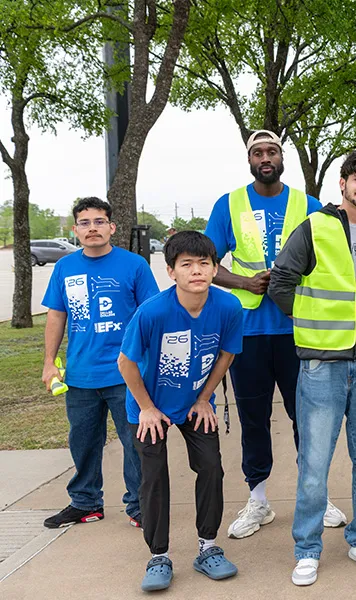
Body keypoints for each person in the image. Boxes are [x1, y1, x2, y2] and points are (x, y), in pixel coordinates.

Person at [204, 129, 346, 539]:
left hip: (299, 328)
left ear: (282, 158)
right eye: (258, 153)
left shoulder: (308, 205)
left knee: (309, 417)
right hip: (248, 331)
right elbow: (207, 261)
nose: (265, 158)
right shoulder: (228, 203)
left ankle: (316, 496)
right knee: (253, 418)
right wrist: (245, 282)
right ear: (249, 160)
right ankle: (259, 499)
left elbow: (331, 260)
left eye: (272, 151)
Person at [268, 150, 356, 586]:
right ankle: (307, 548)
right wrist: (307, 322)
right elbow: (281, 282)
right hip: (321, 364)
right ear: (342, 183)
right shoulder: (314, 227)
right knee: (315, 464)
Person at [118, 232, 242, 592]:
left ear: (215, 268)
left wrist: (204, 398)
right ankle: (159, 555)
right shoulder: (153, 311)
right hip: (149, 405)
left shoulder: (229, 306)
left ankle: (208, 547)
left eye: (204, 263)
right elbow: (125, 363)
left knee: (211, 467)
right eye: (186, 264)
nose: (196, 271)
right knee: (153, 476)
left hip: (194, 402)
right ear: (171, 271)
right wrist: (147, 408)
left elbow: (227, 354)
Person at [40, 197, 159, 529]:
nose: (92, 228)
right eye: (85, 223)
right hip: (81, 374)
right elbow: (56, 316)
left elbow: (150, 315)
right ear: (75, 229)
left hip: (126, 374)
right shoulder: (65, 267)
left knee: (134, 444)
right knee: (83, 443)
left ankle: (139, 506)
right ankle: (85, 503)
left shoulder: (134, 265)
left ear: (111, 227)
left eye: (98, 221)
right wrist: (49, 362)